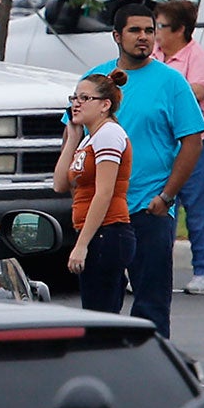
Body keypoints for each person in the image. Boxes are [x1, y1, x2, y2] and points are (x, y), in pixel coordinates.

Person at [83, 3, 204, 336]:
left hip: (149, 211)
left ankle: (152, 375)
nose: (144, 38)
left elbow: (193, 142)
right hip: (103, 212)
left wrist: (166, 197)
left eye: (150, 30)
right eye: (135, 31)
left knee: (151, 308)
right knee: (98, 310)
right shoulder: (96, 81)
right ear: (116, 35)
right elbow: (74, 134)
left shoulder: (172, 82)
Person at [154, 0, 204, 294]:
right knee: (159, 206)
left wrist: (160, 93)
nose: (155, 33)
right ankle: (154, 268)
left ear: (180, 30)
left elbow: (195, 92)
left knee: (201, 207)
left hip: (201, 142)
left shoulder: (199, 59)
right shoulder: (153, 56)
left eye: (161, 27)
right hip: (163, 142)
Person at [54, 70, 133, 314]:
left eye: (85, 98)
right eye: (74, 98)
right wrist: (73, 137)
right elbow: (59, 184)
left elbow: (104, 193)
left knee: (102, 314)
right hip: (95, 233)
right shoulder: (90, 139)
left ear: (105, 105)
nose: (76, 104)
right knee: (94, 310)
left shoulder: (109, 133)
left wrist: (82, 244)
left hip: (107, 232)